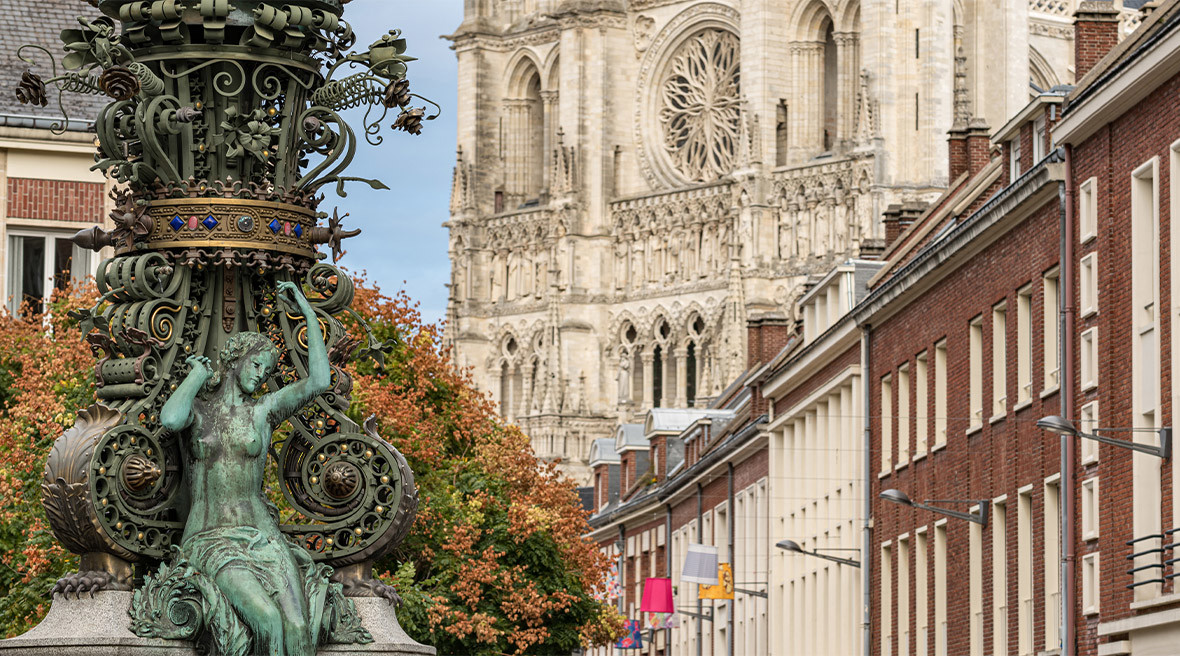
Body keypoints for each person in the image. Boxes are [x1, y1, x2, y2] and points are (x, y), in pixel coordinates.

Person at [149, 280, 366, 656]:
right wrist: (196, 376)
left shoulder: (263, 411)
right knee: (267, 619)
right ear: (235, 360)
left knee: (298, 626)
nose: (261, 376)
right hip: (211, 537)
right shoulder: (200, 411)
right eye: (256, 366)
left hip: (262, 537)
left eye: (266, 372)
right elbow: (170, 419)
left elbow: (318, 380)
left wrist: (306, 311)